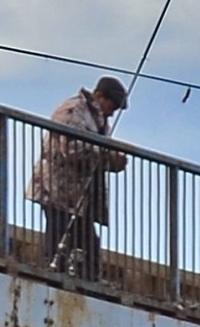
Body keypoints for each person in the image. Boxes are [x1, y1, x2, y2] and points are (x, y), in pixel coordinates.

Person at [33, 75, 132, 279]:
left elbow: (94, 156)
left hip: (78, 195)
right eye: (111, 107)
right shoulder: (73, 110)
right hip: (56, 188)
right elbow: (70, 148)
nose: (111, 114)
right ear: (99, 97)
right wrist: (106, 153)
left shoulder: (99, 121)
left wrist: (113, 162)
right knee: (59, 233)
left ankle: (87, 279)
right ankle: (54, 275)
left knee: (88, 243)